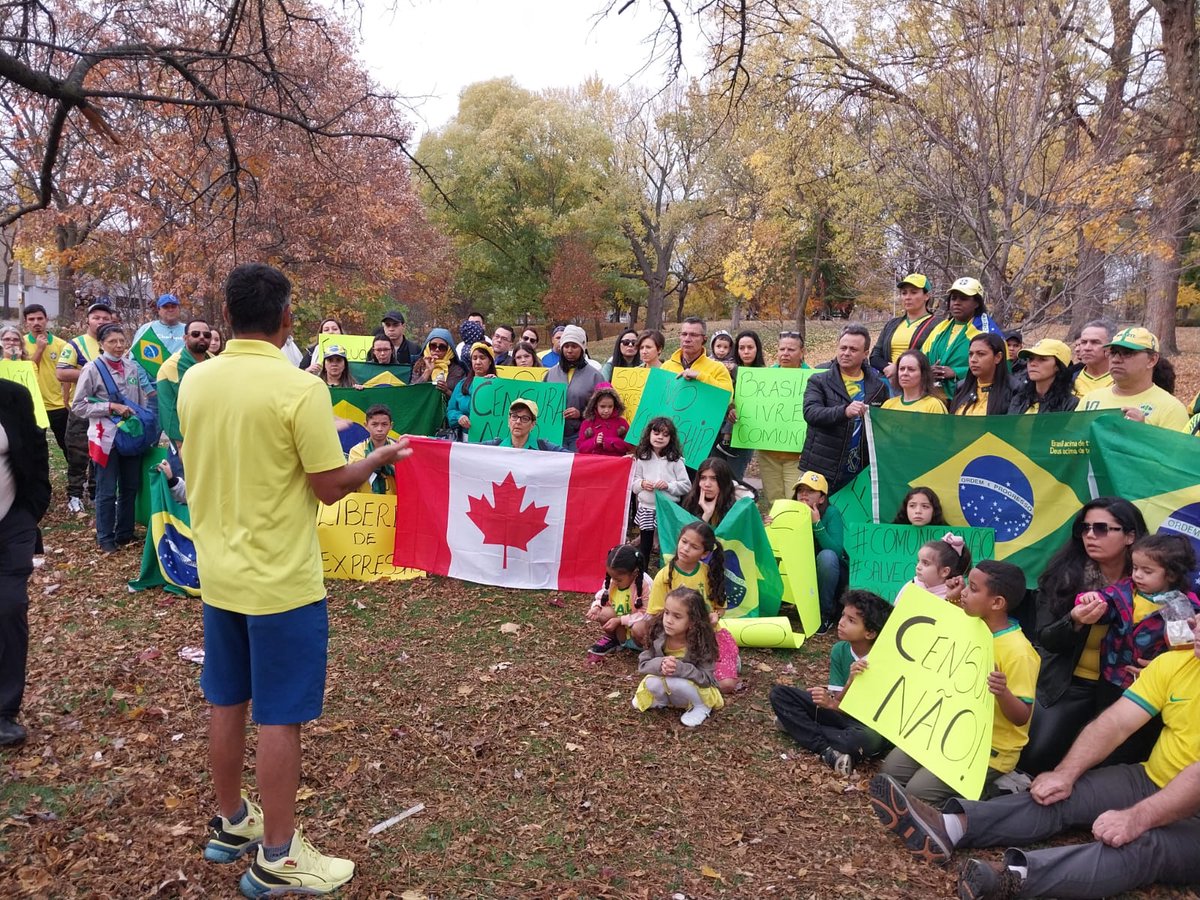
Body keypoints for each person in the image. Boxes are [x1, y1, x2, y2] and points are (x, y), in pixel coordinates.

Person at [178, 262, 412, 895]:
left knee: (227, 699)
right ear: (286, 318)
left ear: (227, 316)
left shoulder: (195, 380)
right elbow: (330, 487)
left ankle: (233, 821)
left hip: (218, 573)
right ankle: (278, 855)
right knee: (280, 715)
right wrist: (376, 457)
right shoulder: (300, 389)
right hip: (281, 582)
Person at [869, 626, 1200, 900]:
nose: (1194, 626)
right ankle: (950, 827)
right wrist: (1065, 774)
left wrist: (1137, 817)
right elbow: (1115, 723)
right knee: (1059, 793)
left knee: (1143, 844)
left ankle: (1015, 878)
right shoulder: (1177, 663)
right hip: (1150, 778)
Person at [879, 560, 1039, 807]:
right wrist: (953, 600)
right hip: (944, 731)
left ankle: (998, 790)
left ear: (997, 603)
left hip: (988, 750)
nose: (964, 592)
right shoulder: (973, 622)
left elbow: (1021, 717)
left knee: (917, 793)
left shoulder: (1019, 652)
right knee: (890, 771)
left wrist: (1002, 692)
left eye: (973, 589)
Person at [1023, 498, 1150, 775]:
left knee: (1119, 767)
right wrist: (1075, 621)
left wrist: (1158, 664)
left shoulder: (1153, 581)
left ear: (1130, 536)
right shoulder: (1064, 577)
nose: (1090, 535)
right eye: (1085, 528)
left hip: (1127, 691)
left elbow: (1177, 635)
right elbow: (1046, 639)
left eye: (1102, 528)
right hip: (1069, 686)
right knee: (1036, 756)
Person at [770, 590, 893, 774]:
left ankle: (798, 727)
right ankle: (826, 750)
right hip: (841, 714)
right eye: (843, 615)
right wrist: (840, 692)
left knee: (860, 740)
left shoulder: (884, 659)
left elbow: (877, 714)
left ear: (870, 633)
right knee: (780, 694)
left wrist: (835, 700)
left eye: (851, 621)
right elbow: (837, 702)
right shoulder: (839, 650)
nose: (841, 622)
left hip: (868, 726)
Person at [1080, 534, 1200, 699]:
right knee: (1105, 711)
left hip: (1152, 682)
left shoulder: (1184, 607)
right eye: (1135, 568)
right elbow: (1103, 603)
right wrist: (1089, 599)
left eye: (1147, 571)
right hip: (1111, 676)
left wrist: (1159, 668)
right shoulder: (1123, 592)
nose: (1137, 575)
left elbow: (1184, 649)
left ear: (1171, 575)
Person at [72, 323, 157, 553]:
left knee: (130, 486)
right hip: (105, 438)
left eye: (121, 341)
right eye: (112, 342)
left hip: (131, 437)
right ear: (101, 344)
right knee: (107, 489)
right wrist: (109, 407)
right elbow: (79, 406)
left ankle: (125, 533)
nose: (118, 346)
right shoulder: (92, 369)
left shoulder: (131, 367)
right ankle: (105, 537)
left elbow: (139, 400)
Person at [0, 378, 50, 746]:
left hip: (10, 524)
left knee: (10, 607)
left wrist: (30, 511)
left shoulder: (12, 397)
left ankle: (4, 711)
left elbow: (35, 451)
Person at [641, 522, 739, 694]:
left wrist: (715, 615)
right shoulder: (664, 576)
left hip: (708, 637)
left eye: (694, 547)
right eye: (684, 542)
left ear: (704, 553)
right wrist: (678, 618)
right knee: (677, 674)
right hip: (676, 639)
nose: (685, 549)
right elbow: (654, 614)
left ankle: (728, 659)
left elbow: (720, 608)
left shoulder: (709, 573)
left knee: (726, 685)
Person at [800, 323, 888, 493]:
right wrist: (844, 411)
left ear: (865, 354)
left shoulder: (878, 387)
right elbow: (811, 413)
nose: (846, 353)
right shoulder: (819, 381)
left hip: (860, 470)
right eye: (843, 348)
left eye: (853, 349)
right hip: (823, 468)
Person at [632, 587, 726, 727]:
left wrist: (680, 669)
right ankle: (662, 701)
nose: (668, 620)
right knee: (651, 682)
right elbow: (643, 664)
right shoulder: (658, 633)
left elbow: (706, 679)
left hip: (693, 689)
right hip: (668, 685)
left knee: (676, 683)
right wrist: (661, 664)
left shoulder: (701, 642)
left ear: (692, 621)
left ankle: (701, 706)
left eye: (677, 616)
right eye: (666, 613)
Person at [57, 300, 114, 513]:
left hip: (105, 410)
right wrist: (92, 373)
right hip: (82, 408)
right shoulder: (76, 344)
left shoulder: (114, 343)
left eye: (105, 318)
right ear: (87, 321)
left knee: (101, 452)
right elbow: (61, 372)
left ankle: (95, 493)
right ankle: (74, 494)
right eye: (96, 317)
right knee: (78, 453)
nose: (101, 321)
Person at [1080, 327, 1189, 430]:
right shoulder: (1090, 399)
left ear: (1152, 360)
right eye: (1113, 353)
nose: (1116, 359)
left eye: (1127, 353)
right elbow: (1073, 440)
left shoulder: (1171, 409)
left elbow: (1174, 445)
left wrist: (1141, 432)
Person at [921, 277, 1004, 399]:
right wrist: (927, 370)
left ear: (977, 303)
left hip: (971, 399)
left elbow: (999, 369)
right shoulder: (940, 328)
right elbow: (920, 358)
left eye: (963, 298)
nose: (957, 303)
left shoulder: (988, 332)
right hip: (932, 397)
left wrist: (956, 372)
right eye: (953, 298)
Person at [757, 331, 813, 506]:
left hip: (797, 456)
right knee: (774, 502)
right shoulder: (764, 377)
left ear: (802, 352)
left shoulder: (814, 378)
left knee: (794, 502)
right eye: (782, 349)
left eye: (791, 349)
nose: (785, 354)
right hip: (768, 453)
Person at [792, 470, 848, 633]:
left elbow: (836, 551)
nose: (804, 494)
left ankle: (825, 612)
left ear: (822, 498)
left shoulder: (831, 513)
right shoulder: (789, 511)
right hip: (801, 568)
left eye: (810, 491)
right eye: (801, 490)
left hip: (829, 573)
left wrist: (817, 524)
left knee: (827, 557)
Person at [629, 417, 690, 562]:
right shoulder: (642, 458)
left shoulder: (676, 460)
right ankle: (643, 570)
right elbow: (633, 483)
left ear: (671, 438)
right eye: (656, 433)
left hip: (668, 509)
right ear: (649, 434)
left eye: (665, 435)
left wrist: (669, 486)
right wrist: (642, 484)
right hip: (647, 508)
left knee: (667, 543)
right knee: (645, 544)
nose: (660, 437)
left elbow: (686, 485)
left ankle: (667, 568)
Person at [585, 543, 653, 657]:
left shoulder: (646, 584)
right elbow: (603, 597)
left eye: (619, 580)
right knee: (603, 613)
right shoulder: (613, 580)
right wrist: (597, 606)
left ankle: (648, 650)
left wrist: (621, 620)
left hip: (638, 631)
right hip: (622, 631)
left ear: (634, 573)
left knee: (639, 628)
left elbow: (648, 614)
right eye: (612, 577)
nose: (614, 582)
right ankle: (614, 640)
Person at [543, 325, 604, 451]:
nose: (569, 350)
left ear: (582, 348)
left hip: (581, 435)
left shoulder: (595, 376)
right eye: (566, 346)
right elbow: (542, 403)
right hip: (553, 435)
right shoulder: (551, 373)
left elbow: (605, 409)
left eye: (574, 346)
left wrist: (581, 414)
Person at [22, 304, 71, 460]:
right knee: (35, 448)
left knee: (68, 446)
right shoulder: (21, 344)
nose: (36, 322)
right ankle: (37, 475)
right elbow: (27, 372)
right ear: (26, 322)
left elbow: (67, 374)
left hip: (58, 405)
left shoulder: (61, 345)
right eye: (31, 319)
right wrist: (39, 349)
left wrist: (66, 399)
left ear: (46, 320)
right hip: (33, 405)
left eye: (40, 318)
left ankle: (76, 475)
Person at [870, 273, 941, 380]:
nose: (907, 297)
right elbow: (874, 356)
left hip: (918, 383)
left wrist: (899, 369)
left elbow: (936, 359)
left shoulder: (938, 325)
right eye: (904, 293)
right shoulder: (891, 324)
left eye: (914, 292)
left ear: (926, 296)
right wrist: (887, 368)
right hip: (888, 381)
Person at [156, 319, 213, 452]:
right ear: (185, 338)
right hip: (186, 439)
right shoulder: (170, 367)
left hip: (212, 435)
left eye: (206, 335)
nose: (202, 337)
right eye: (195, 334)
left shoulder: (216, 361)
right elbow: (168, 410)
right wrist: (180, 445)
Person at [720, 329, 766, 481]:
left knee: (734, 479)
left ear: (757, 349)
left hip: (745, 434)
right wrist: (730, 408)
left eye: (750, 347)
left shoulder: (766, 375)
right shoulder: (725, 371)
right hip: (719, 432)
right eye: (741, 348)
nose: (746, 352)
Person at [947, 333, 1014, 416]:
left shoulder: (1014, 390)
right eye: (970, 354)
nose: (973, 359)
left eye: (981, 354)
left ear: (998, 357)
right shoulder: (961, 387)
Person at [660, 317, 733, 392]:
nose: (687, 339)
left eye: (693, 335)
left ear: (704, 339)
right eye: (684, 334)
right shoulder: (666, 367)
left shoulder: (718, 368)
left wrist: (700, 376)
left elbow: (728, 395)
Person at [1009, 338, 1078, 415]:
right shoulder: (1019, 399)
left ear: (1058, 366)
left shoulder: (1070, 403)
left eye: (1042, 359)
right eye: (1031, 359)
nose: (1032, 364)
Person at [446, 342, 496, 438]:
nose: (478, 362)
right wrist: (459, 417)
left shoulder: (498, 384)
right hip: (466, 436)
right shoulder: (462, 385)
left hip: (492, 437)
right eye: (474, 358)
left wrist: (496, 384)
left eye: (482, 358)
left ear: (490, 361)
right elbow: (451, 410)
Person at [478, 399, 567, 451]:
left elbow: (572, 459)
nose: (518, 421)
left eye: (525, 418)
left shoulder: (545, 448)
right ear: (509, 420)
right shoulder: (494, 446)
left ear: (533, 424)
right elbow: (470, 450)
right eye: (514, 416)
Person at [347, 405, 399, 494]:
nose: (379, 429)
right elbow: (352, 478)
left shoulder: (398, 450)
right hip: (364, 500)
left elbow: (407, 478)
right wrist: (379, 462)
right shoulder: (357, 451)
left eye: (384, 424)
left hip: (392, 500)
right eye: (374, 424)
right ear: (366, 425)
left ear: (391, 426)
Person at [679, 457, 745, 527]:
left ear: (724, 481)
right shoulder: (690, 502)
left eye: (714, 479)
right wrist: (706, 515)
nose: (707, 484)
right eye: (703, 478)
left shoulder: (737, 509)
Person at [881, 349, 946, 414]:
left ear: (923, 374)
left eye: (911, 369)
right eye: (902, 369)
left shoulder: (934, 405)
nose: (905, 373)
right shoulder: (888, 405)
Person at [576, 383, 632, 456]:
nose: (606, 410)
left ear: (615, 405)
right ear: (595, 405)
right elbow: (580, 448)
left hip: (615, 462)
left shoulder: (622, 423)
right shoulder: (587, 423)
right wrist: (594, 441)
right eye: (602, 406)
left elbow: (629, 446)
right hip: (594, 461)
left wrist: (609, 442)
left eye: (610, 406)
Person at [912, 533, 972, 599]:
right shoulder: (913, 584)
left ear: (944, 572)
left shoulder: (950, 597)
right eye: (918, 561)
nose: (918, 567)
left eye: (925, 563)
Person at [409, 328, 466, 397]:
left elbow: (461, 398)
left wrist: (447, 391)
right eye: (433, 346)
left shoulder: (457, 370)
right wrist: (427, 371)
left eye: (442, 347)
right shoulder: (419, 365)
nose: (437, 350)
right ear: (428, 347)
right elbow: (412, 393)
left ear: (449, 350)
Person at [131, 293, 186, 360]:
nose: (170, 309)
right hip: (153, 366)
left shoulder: (188, 330)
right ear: (159, 310)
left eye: (173, 306)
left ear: (179, 309)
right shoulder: (147, 329)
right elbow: (134, 357)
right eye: (166, 307)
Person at [1072, 319, 1114, 398]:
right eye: (1084, 342)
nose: (1087, 348)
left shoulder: (1124, 381)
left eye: (1095, 342)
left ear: (1110, 347)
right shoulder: (1067, 381)